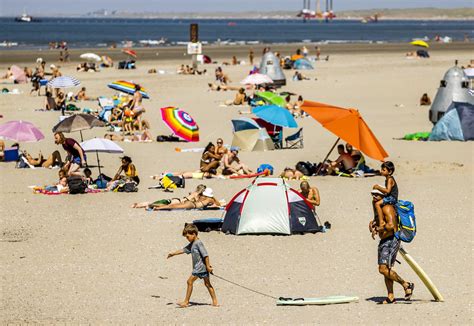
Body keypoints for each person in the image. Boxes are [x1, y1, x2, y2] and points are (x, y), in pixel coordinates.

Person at [369, 192, 414, 304]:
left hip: (391, 240)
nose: (374, 197)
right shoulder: (379, 208)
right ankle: (391, 296)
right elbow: (382, 222)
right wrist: (374, 224)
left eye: (376, 195)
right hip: (385, 241)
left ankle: (406, 284)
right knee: (386, 269)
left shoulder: (387, 208)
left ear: (383, 197)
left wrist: (379, 229)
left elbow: (391, 226)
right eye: (372, 194)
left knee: (382, 269)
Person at [167, 223, 219, 308]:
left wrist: (208, 266)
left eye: (187, 237)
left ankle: (186, 302)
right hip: (201, 268)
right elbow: (184, 250)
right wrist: (173, 253)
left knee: (189, 281)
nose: (187, 239)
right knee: (207, 284)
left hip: (200, 268)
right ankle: (215, 301)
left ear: (194, 234)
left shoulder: (198, 243)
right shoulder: (192, 243)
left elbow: (205, 255)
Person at [372, 161, 398, 234]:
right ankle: (376, 218)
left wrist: (378, 187)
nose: (381, 171)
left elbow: (388, 191)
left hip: (392, 198)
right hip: (389, 196)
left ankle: (381, 222)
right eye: (381, 169)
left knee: (377, 204)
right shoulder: (387, 178)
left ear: (389, 172)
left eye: (383, 170)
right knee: (375, 199)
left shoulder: (389, 179)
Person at [131, 184, 207, 209]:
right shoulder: (196, 195)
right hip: (177, 202)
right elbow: (198, 203)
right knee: (162, 204)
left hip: (176, 199)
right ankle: (146, 205)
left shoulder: (193, 192)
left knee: (158, 202)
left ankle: (138, 204)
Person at [155, 188, 221, 211]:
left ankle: (156, 206)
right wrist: (213, 197)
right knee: (173, 206)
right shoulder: (210, 199)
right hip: (192, 205)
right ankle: (158, 208)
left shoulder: (202, 196)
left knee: (172, 205)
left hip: (190, 203)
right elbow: (218, 204)